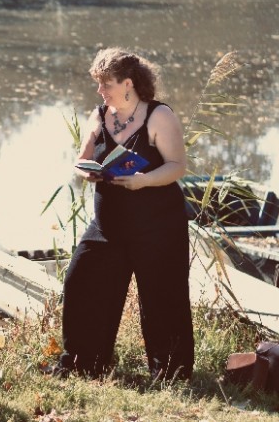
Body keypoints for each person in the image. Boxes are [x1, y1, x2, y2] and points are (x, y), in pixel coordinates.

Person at [59, 48, 194, 381]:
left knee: (163, 298)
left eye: (106, 85)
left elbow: (178, 166)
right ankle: (84, 364)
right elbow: (82, 158)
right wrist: (87, 171)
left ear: (128, 84)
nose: (100, 92)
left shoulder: (159, 116)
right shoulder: (100, 114)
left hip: (158, 227)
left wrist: (143, 180)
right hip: (107, 228)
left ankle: (170, 373)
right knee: (82, 283)